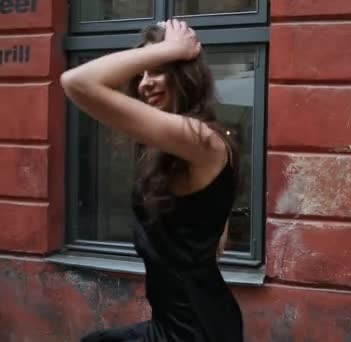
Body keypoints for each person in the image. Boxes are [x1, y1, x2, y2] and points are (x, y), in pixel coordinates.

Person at [61, 19, 243, 342]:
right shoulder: (174, 151)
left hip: (196, 331)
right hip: (174, 324)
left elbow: (76, 81)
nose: (145, 83)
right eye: (141, 74)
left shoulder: (202, 140)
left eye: (158, 70)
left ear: (186, 75)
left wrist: (171, 48)